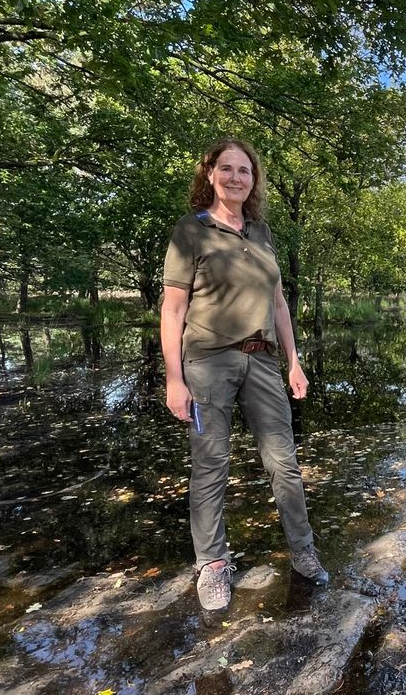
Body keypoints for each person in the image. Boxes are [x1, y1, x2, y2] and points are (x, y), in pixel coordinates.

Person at [160, 137, 329, 612]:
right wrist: (175, 378)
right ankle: (212, 565)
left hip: (262, 361)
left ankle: (303, 550)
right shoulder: (191, 232)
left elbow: (278, 304)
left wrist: (293, 361)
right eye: (227, 168)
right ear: (209, 174)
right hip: (208, 362)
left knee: (284, 462)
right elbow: (173, 310)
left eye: (245, 170)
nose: (236, 177)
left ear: (253, 180)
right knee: (211, 464)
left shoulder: (262, 233)